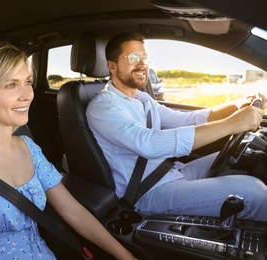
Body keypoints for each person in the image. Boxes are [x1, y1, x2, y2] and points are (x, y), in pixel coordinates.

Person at [0, 42, 136, 260]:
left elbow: (73, 211)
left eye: (27, 82)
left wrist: (125, 255)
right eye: (11, 85)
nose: (27, 94)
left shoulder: (27, 146)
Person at [86, 31, 267, 222]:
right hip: (147, 191)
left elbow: (184, 120)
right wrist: (231, 124)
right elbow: (147, 143)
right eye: (133, 57)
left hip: (171, 172)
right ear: (112, 66)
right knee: (254, 192)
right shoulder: (103, 107)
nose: (142, 64)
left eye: (145, 57)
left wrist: (236, 106)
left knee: (242, 156)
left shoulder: (142, 98)